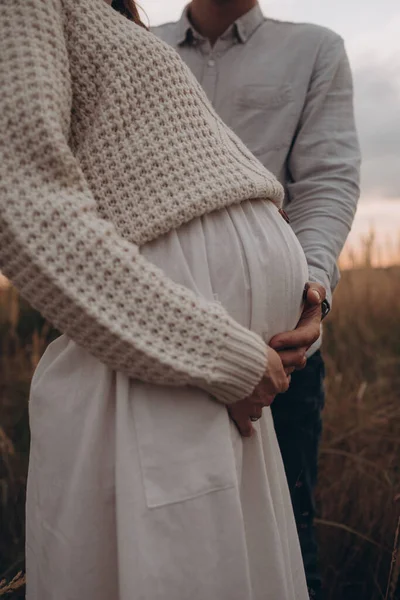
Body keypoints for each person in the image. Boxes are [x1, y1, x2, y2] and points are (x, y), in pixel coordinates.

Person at [0, 1, 327, 599]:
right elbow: (20, 202)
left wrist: (305, 295)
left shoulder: (111, 18)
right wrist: (222, 354)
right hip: (161, 371)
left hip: (215, 381)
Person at [153, 2, 361, 598]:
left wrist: (312, 293)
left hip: (278, 358)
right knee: (164, 540)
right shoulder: (136, 44)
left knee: (284, 544)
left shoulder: (315, 49)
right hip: (152, 351)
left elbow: (327, 179)